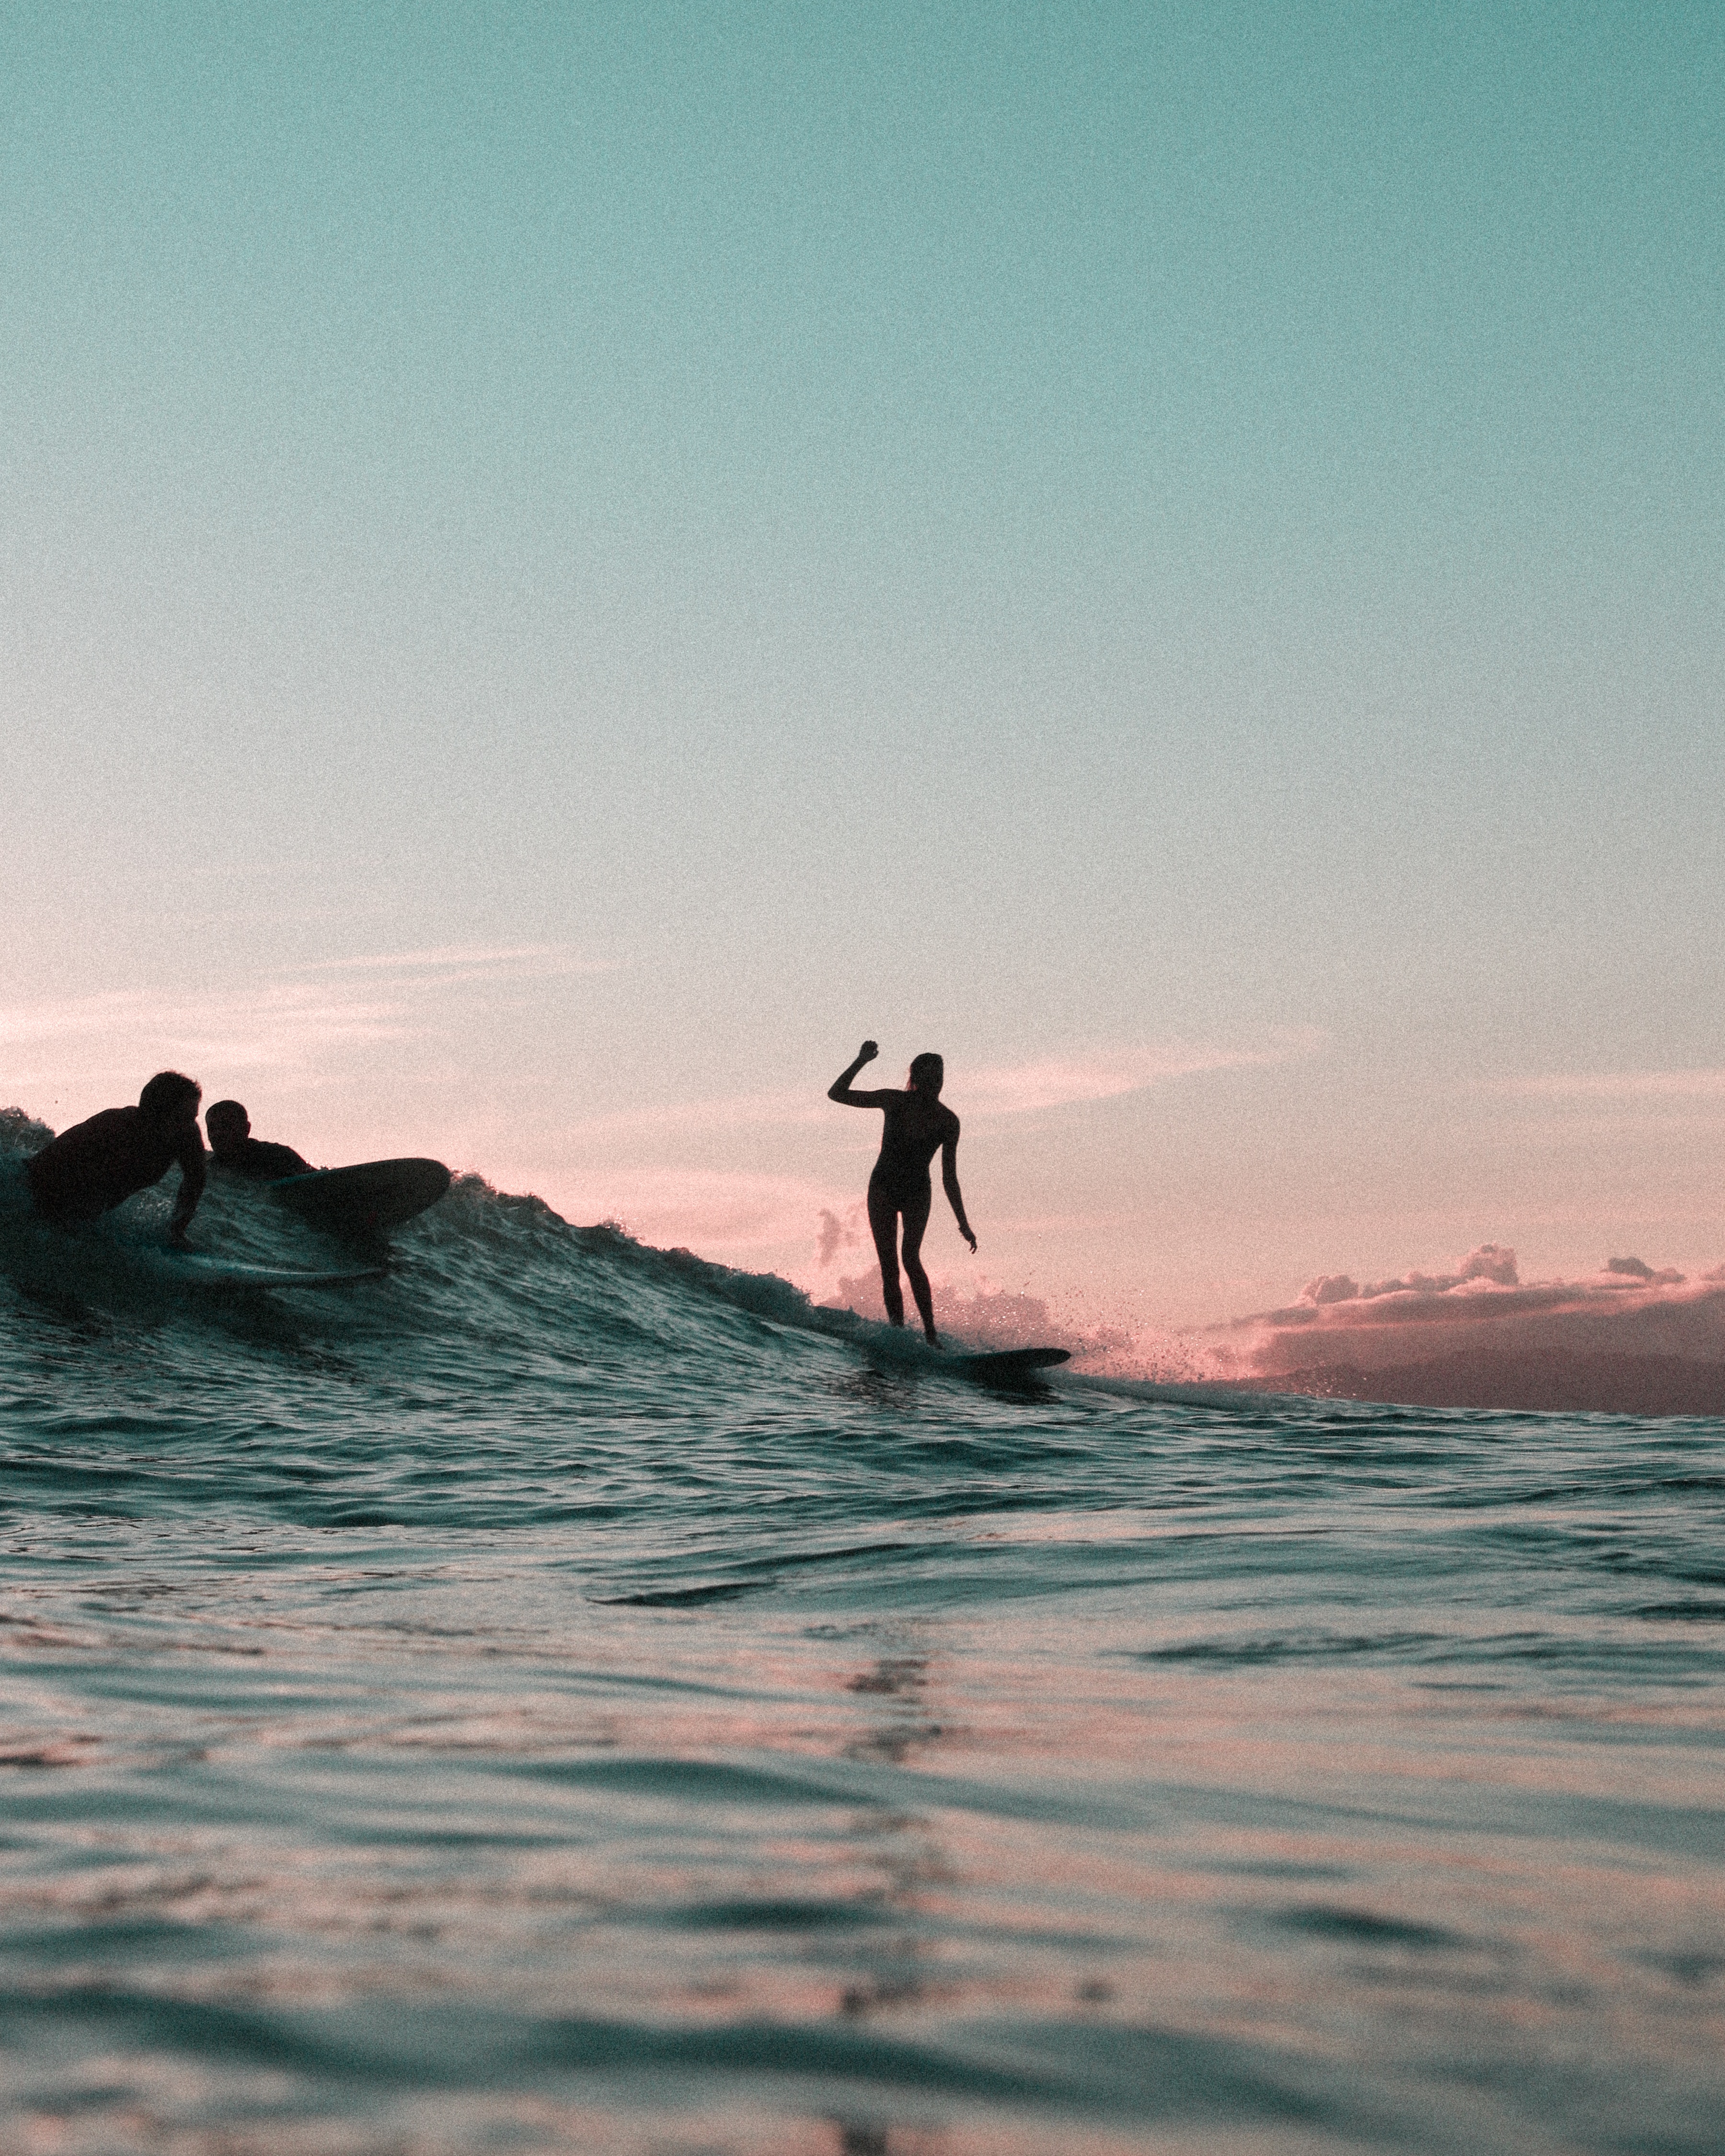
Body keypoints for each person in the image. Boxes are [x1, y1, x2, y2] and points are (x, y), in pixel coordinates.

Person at [828, 1039, 976, 1346]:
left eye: (941, 1076)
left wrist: (963, 1223)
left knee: (911, 1259)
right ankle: (898, 1336)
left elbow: (950, 1177)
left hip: (917, 1192)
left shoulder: (948, 1121)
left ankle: (931, 1336)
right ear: (918, 1078)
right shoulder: (895, 1100)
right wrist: (861, 1061)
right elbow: (837, 1094)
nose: (938, 1082)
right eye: (932, 1076)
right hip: (883, 1186)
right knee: (890, 1267)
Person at [26, 1070, 207, 1246]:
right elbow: (46, 1169)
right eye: (180, 1118)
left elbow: (196, 1179)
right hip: (36, 1190)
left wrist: (177, 1230)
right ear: (155, 1113)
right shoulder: (114, 1127)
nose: (188, 1126)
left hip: (86, 1209)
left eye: (192, 1118)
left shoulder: (187, 1134)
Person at [204, 1101, 314, 1181]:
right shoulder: (208, 1172)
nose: (218, 1134)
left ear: (246, 1129)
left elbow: (316, 1182)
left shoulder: (278, 1156)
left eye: (226, 1126)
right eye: (212, 1128)